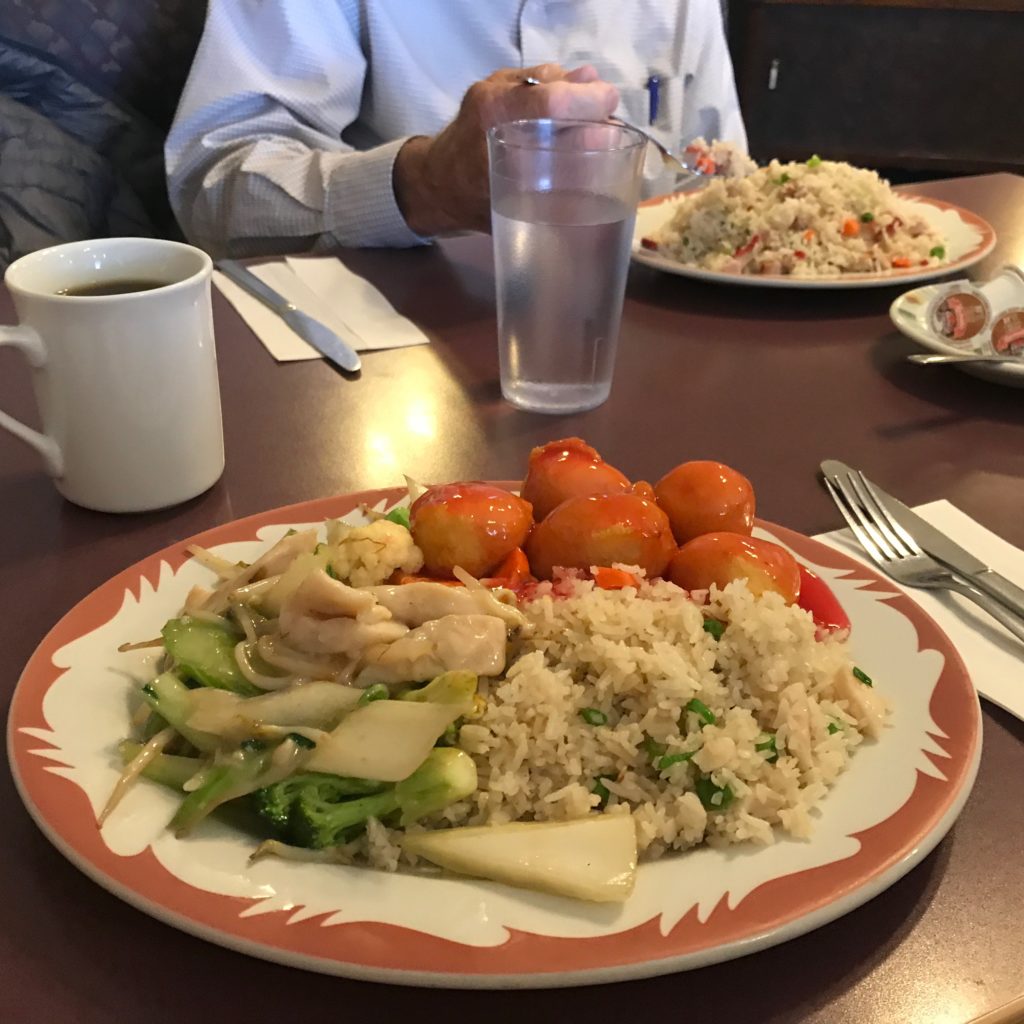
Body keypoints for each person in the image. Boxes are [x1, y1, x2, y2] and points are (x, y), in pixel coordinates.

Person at [166, 1, 746, 257]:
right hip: (370, 373)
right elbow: (211, 183)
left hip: (648, 363)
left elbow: (726, 189)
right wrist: (425, 187)